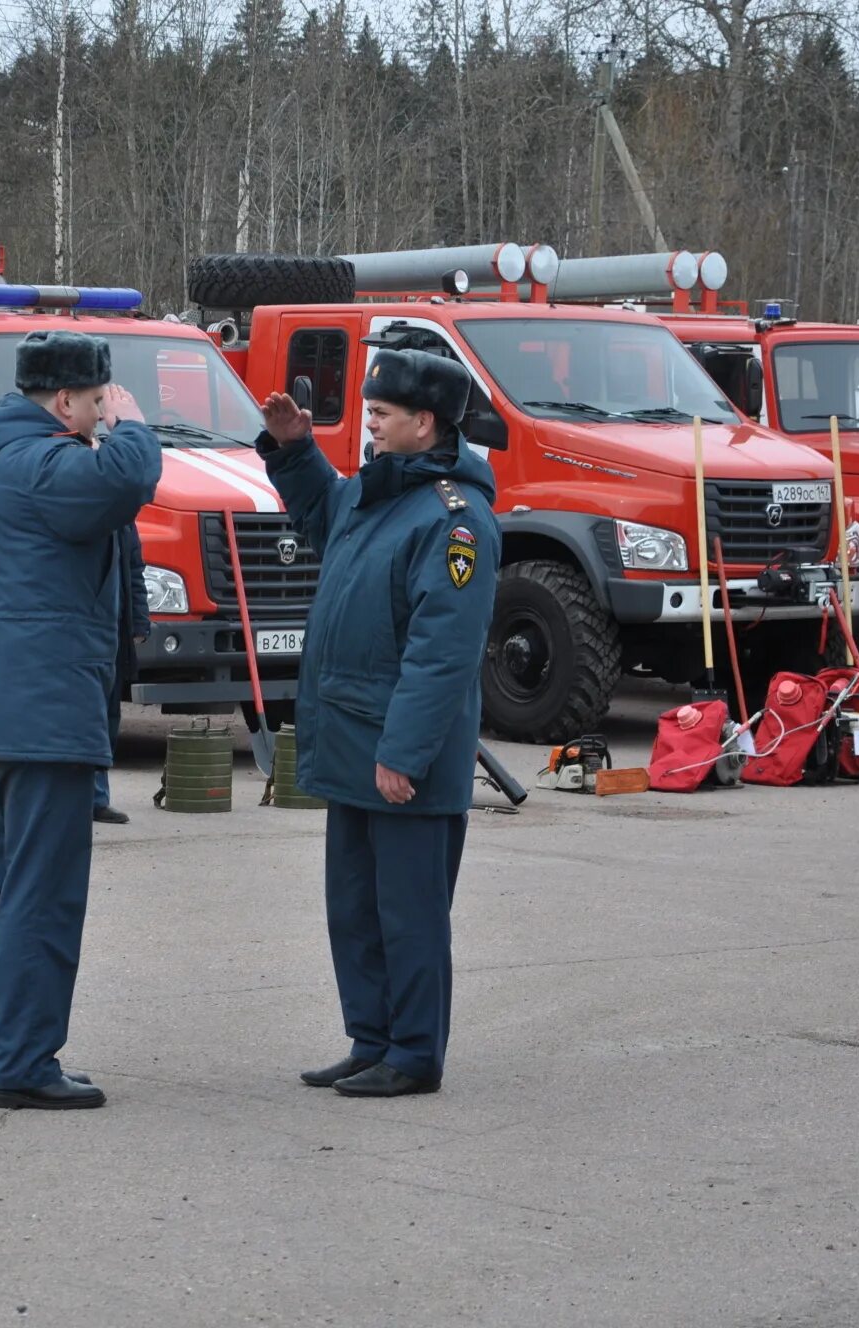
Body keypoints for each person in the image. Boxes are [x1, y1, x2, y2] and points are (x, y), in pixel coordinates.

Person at [258, 348, 499, 1099]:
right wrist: (296, 450)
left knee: (409, 915)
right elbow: (326, 511)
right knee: (355, 908)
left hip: (400, 754)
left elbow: (443, 654)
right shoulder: (378, 492)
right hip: (351, 739)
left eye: (383, 416)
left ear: (424, 424)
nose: (369, 428)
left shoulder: (456, 521)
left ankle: (415, 1052)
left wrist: (404, 752)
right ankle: (371, 1038)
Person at [0, 330, 160, 1110]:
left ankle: (4, 1051)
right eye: (98, 399)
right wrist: (135, 422)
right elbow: (128, 476)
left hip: (6, 711)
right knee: (40, 894)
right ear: (69, 400)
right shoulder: (43, 461)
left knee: (6, 890)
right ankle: (20, 1062)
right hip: (41, 714)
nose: (103, 412)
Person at [91, 522, 147, 824]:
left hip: (113, 635)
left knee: (109, 719)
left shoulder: (123, 521)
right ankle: (81, 796)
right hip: (83, 638)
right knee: (86, 717)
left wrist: (139, 623)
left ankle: (98, 798)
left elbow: (135, 570)